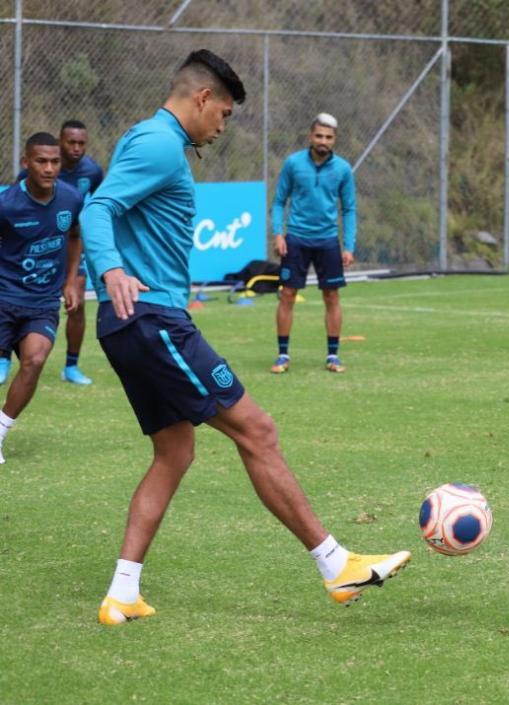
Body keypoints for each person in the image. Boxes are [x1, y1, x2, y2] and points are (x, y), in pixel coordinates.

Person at [81, 50, 408, 626]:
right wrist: (109, 268)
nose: (222, 125)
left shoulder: (149, 138)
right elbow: (97, 208)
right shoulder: (160, 145)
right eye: (225, 114)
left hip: (130, 321)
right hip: (152, 319)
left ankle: (122, 592)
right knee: (257, 429)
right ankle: (336, 565)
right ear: (202, 98)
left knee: (175, 452)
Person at [0, 133, 84, 463]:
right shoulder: (7, 205)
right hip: (4, 298)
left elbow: (75, 237)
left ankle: (1, 430)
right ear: (26, 163)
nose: (49, 168)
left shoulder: (71, 199)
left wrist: (71, 281)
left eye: (55, 162)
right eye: (41, 161)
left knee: (35, 359)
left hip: (42, 303)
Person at [3, 120, 104, 386]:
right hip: (31, 252)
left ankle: (71, 366)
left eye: (81, 143)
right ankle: (6, 353)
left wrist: (70, 279)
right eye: (71, 142)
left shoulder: (92, 172)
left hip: (67, 244)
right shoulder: (27, 179)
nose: (76, 148)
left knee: (78, 301)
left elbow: (89, 216)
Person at [271, 112, 357, 374]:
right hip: (296, 239)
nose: (323, 141)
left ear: (334, 140)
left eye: (328, 137)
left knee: (332, 296)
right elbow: (278, 201)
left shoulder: (343, 169)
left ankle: (333, 356)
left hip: (328, 241)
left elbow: (349, 209)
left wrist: (349, 246)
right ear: (311, 136)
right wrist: (278, 233)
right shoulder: (293, 164)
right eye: (318, 135)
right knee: (287, 295)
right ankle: (283, 355)